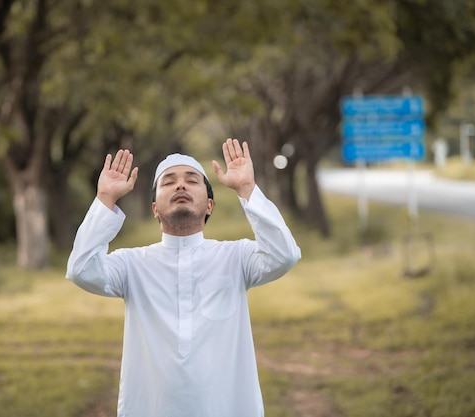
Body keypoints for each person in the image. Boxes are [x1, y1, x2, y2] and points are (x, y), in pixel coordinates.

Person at [66, 138, 301, 417]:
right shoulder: (132, 264)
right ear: (155, 208)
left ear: (209, 205)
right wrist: (105, 199)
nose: (180, 185)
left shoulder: (235, 258)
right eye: (168, 182)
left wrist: (248, 190)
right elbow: (80, 270)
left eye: (192, 180)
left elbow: (284, 255)